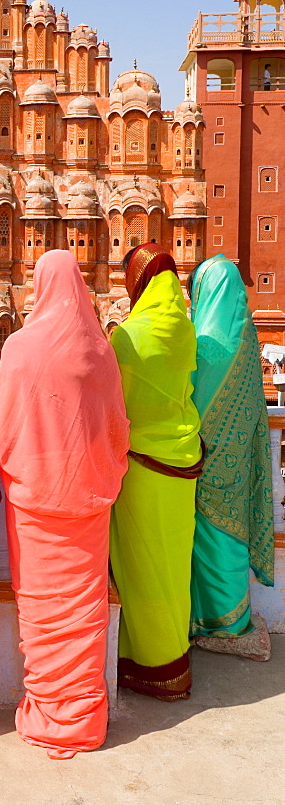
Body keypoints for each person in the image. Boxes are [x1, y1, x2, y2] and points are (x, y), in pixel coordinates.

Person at [0, 250, 130, 759]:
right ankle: (83, 719)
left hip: (34, 501)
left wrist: (23, 470)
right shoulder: (100, 349)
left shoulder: (20, 347)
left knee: (43, 611)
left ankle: (51, 712)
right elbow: (117, 426)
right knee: (82, 608)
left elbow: (4, 429)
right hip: (89, 499)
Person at [109, 243, 203, 701]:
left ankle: (146, 665)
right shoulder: (186, 331)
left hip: (141, 469)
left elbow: (110, 404)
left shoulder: (126, 337)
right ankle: (175, 661)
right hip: (183, 461)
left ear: (137, 282)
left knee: (139, 565)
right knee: (171, 564)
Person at [189, 255, 274, 659]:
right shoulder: (245, 335)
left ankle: (224, 627)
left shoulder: (205, 344)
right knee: (230, 534)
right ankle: (235, 620)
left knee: (209, 537)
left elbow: (188, 392)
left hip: (204, 459)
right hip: (239, 456)